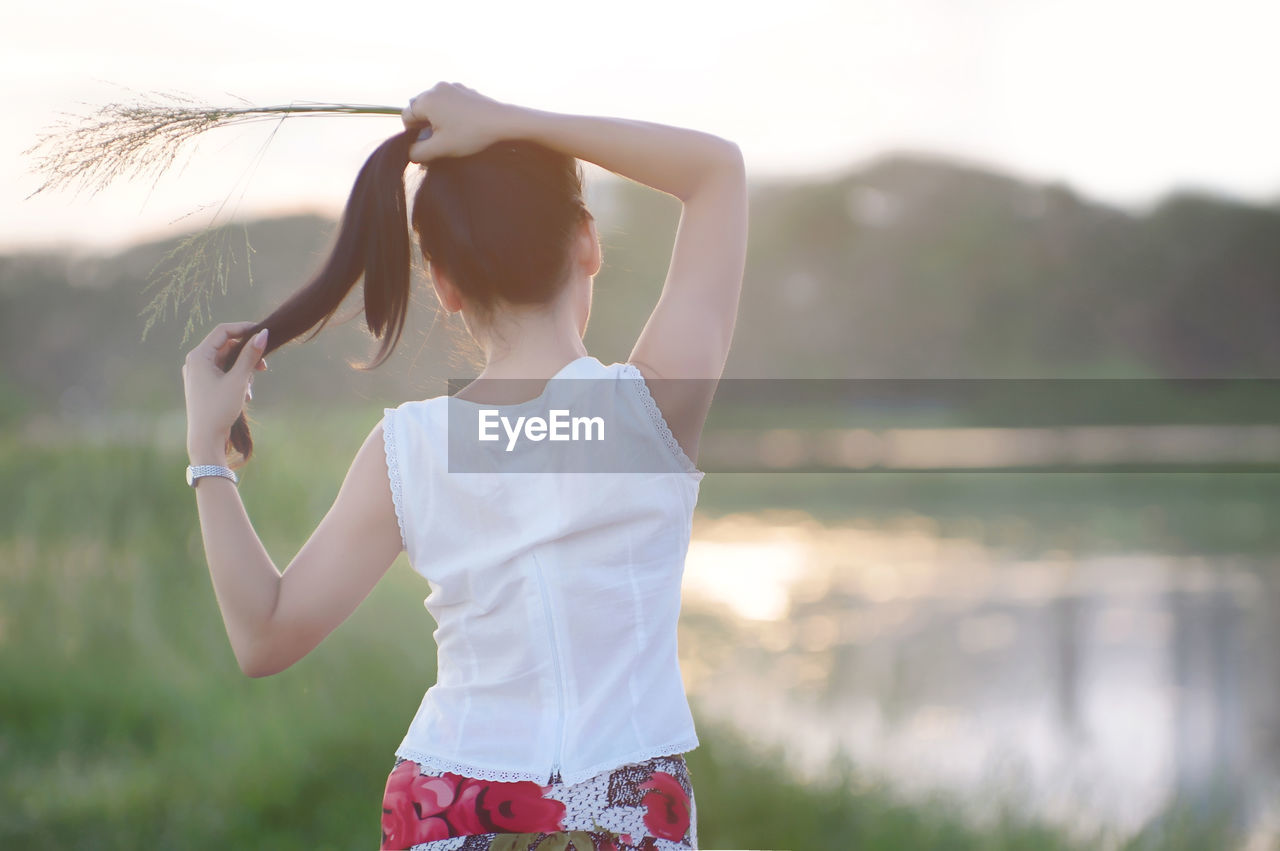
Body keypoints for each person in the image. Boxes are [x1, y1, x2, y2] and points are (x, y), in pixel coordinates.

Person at [180, 82, 748, 850]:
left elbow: (266, 635)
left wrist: (207, 458)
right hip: (622, 800)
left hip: (447, 800)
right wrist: (514, 121)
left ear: (443, 284)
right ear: (587, 242)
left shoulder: (408, 449)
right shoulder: (649, 412)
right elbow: (715, 171)